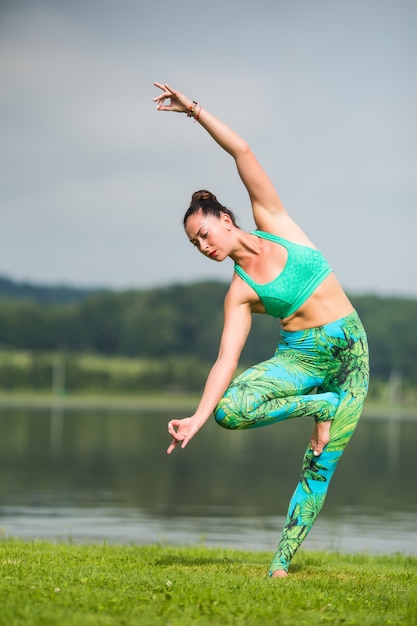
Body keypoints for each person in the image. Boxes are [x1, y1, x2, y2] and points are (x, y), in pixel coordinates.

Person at [153, 81, 369, 578]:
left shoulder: (275, 221)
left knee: (321, 462)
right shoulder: (240, 292)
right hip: (301, 360)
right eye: (195, 245)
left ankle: (280, 562)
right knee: (231, 411)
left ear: (225, 219)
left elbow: (242, 150)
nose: (204, 246)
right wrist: (197, 418)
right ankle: (322, 406)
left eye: (204, 234)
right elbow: (225, 360)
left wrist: (196, 111)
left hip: (351, 353)